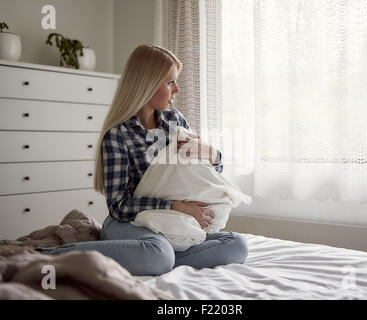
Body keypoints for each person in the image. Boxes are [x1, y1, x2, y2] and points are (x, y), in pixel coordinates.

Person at [37, 44, 248, 276]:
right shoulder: (118, 135)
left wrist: (212, 154)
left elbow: (204, 175)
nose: (176, 90)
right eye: (170, 82)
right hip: (129, 224)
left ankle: (155, 257)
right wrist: (174, 206)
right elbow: (119, 206)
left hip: (172, 225)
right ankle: (47, 256)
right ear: (147, 84)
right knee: (158, 253)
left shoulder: (175, 121)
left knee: (236, 244)